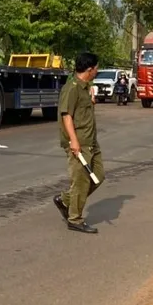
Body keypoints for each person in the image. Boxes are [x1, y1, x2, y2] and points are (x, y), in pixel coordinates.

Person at [54, 52, 105, 234]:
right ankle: (75, 219)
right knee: (81, 181)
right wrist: (74, 141)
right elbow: (66, 115)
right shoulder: (72, 88)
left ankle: (66, 200)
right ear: (89, 70)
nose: (97, 72)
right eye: (96, 69)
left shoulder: (85, 87)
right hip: (80, 143)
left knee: (98, 176)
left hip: (91, 141)